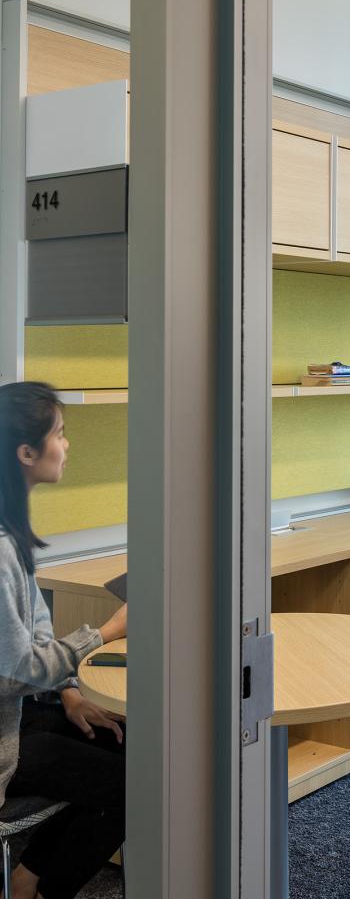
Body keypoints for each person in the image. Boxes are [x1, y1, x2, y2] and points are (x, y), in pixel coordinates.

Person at [0, 381, 127, 899]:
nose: (67, 444)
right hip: (4, 740)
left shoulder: (13, 528)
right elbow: (17, 669)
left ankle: (29, 875)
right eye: (60, 434)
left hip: (21, 712)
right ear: (25, 453)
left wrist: (71, 691)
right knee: (135, 784)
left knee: (126, 742)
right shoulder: (2, 547)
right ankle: (38, 886)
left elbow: (34, 624)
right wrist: (109, 631)